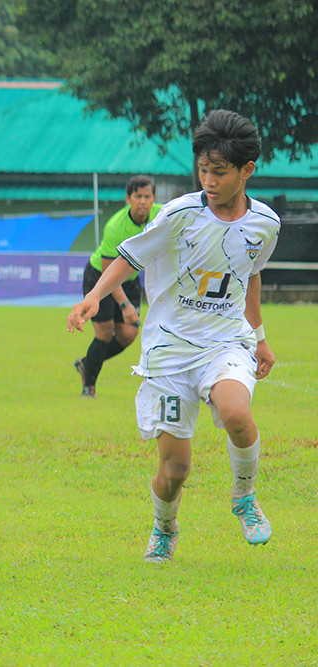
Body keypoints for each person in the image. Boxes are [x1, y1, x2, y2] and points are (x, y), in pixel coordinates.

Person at [67, 109, 280, 563]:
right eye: (203, 170)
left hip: (226, 343)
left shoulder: (266, 224)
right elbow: (129, 258)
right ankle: (165, 527)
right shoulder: (180, 213)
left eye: (219, 172)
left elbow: (251, 274)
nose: (209, 180)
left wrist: (259, 337)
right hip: (168, 349)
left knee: (236, 412)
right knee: (175, 469)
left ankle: (244, 497)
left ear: (247, 170)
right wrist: (94, 297)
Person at [73, 175, 162, 397]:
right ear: (128, 198)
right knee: (105, 333)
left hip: (130, 278)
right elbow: (109, 271)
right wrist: (125, 305)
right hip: (100, 277)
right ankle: (89, 387)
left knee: (128, 334)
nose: (143, 201)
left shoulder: (163, 215)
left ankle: (86, 363)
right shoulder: (115, 226)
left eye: (147, 197)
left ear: (154, 198)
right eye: (138, 196)